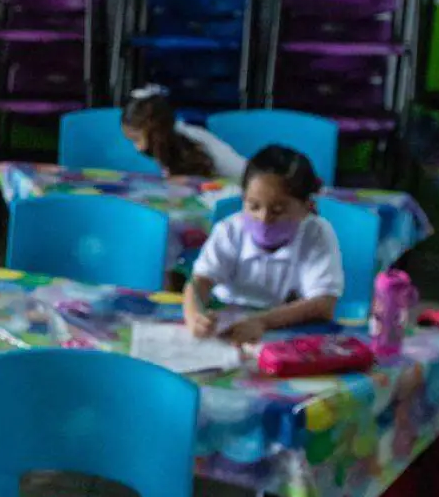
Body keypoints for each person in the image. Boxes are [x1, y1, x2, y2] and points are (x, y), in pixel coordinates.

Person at [185, 144, 343, 345]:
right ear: (243, 200)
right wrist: (194, 316)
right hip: (227, 323)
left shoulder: (317, 233)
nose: (264, 218)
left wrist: (261, 322)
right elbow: (198, 282)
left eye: (278, 210)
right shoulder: (230, 230)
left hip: (285, 329)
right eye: (253, 206)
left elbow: (323, 304)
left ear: (307, 207)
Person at [121, 85, 246, 179]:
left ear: (155, 132)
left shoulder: (188, 141)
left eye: (136, 139)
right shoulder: (165, 141)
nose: (136, 148)